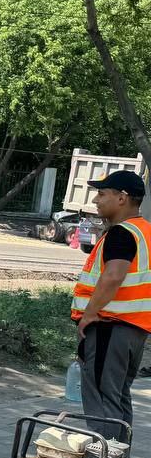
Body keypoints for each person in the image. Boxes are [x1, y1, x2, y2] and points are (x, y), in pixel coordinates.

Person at [71, 170, 151, 436]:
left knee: (102, 401)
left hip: (109, 326)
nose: (96, 200)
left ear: (122, 198)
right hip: (134, 330)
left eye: (102, 194)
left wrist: (89, 314)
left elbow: (113, 275)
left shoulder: (122, 233)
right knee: (117, 398)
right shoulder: (145, 232)